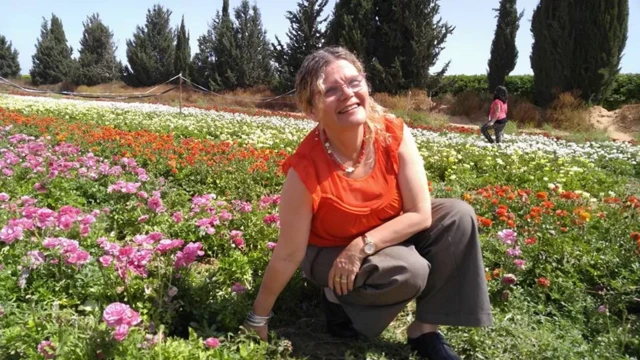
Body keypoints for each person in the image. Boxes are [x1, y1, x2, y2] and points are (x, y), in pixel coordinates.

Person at [243, 47, 493, 360]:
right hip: (326, 252)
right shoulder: (305, 169)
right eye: (331, 90)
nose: (347, 94)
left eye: (354, 82)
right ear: (311, 109)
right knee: (408, 270)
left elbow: (420, 214)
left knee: (458, 215)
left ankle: (425, 330)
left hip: (374, 237)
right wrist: (258, 316)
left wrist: (361, 246)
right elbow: (289, 253)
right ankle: (336, 300)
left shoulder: (393, 133)